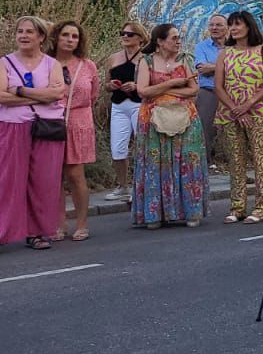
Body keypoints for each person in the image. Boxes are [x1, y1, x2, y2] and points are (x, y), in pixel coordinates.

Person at [131, 22, 208, 229]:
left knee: (187, 163)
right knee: (156, 164)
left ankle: (191, 211)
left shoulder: (185, 60)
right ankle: (155, 213)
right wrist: (172, 84)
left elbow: (193, 91)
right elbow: (143, 91)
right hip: (153, 120)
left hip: (185, 118)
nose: (178, 41)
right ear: (160, 41)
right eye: (173, 38)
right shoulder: (146, 61)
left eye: (178, 38)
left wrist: (163, 91)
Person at [1, 16, 68, 249]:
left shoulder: (52, 64)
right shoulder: (5, 63)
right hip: (13, 126)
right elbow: (1, 97)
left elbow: (56, 95)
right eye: (20, 31)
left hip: (47, 128)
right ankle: (2, 231)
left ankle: (36, 233)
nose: (23, 36)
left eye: (29, 32)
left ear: (40, 37)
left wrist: (18, 90)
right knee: (8, 180)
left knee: (44, 181)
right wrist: (40, 95)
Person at [216, 10, 263, 224]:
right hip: (230, 113)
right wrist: (235, 108)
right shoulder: (225, 53)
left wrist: (247, 105)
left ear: (249, 27)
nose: (233, 28)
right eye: (230, 25)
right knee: (236, 161)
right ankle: (237, 206)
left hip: (258, 112)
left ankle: (262, 207)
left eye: (237, 24)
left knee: (262, 160)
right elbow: (218, 86)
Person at [48, 20, 97, 242]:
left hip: (79, 122)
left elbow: (93, 95)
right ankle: (58, 224)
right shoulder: (46, 63)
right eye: (65, 35)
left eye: (74, 36)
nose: (70, 40)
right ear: (56, 37)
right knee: (54, 176)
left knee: (76, 175)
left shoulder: (87, 66)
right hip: (51, 122)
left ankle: (81, 223)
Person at [103, 20, 148, 203]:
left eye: (130, 34)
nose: (125, 37)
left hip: (139, 103)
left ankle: (142, 184)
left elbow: (153, 82)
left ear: (139, 37)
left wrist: (137, 86)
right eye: (123, 33)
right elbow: (105, 85)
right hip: (119, 105)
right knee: (117, 148)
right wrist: (111, 85)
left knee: (142, 146)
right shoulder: (113, 58)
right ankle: (122, 185)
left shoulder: (146, 58)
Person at [193, 13, 227, 166]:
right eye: (212, 25)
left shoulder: (234, 47)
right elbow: (202, 69)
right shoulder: (201, 46)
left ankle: (235, 166)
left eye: (219, 25)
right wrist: (227, 67)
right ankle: (204, 165)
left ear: (227, 28)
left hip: (232, 93)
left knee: (234, 130)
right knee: (205, 129)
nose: (214, 28)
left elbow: (241, 69)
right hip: (209, 92)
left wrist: (213, 67)